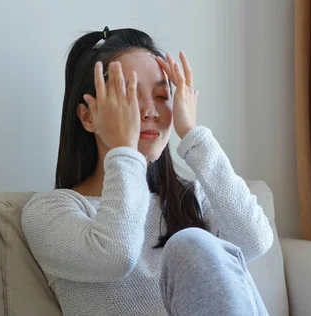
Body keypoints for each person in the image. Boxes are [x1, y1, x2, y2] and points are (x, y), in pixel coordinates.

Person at [21, 27, 273, 316]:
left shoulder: (189, 201)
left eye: (162, 95)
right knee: (190, 244)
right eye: (129, 96)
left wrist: (192, 133)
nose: (151, 111)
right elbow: (117, 255)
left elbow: (254, 240)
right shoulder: (48, 213)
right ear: (88, 117)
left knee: (193, 244)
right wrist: (125, 149)